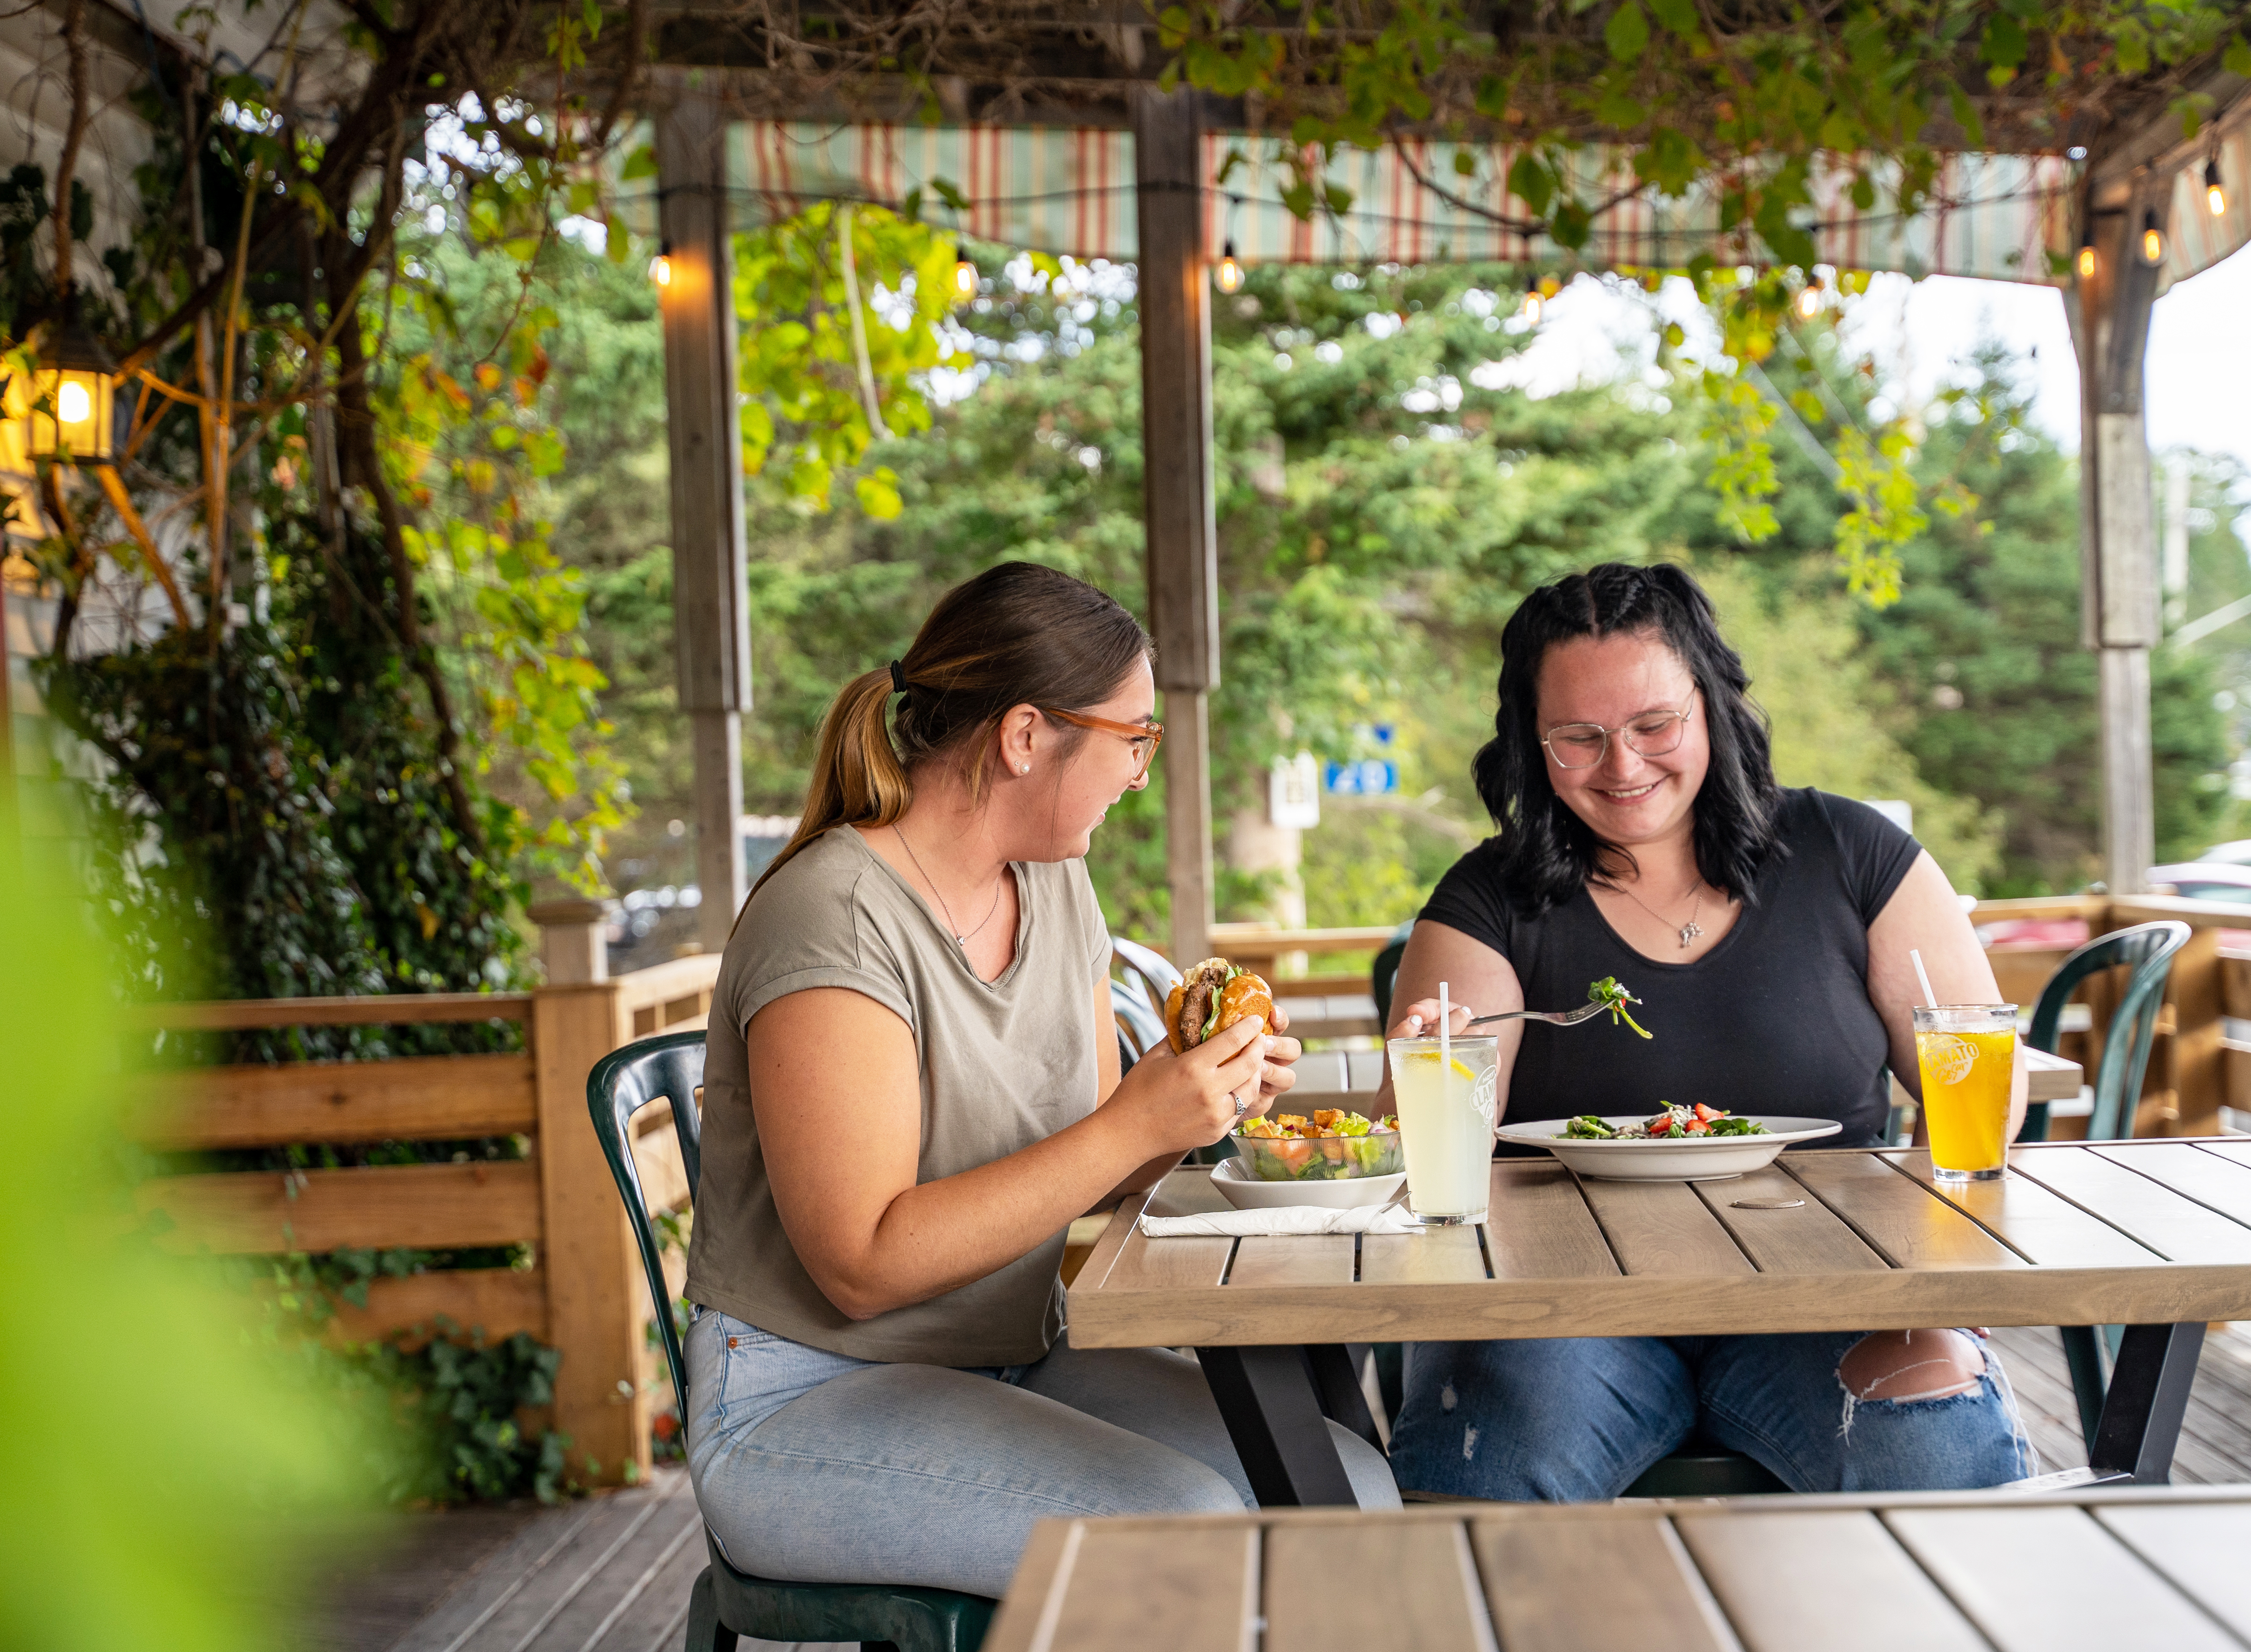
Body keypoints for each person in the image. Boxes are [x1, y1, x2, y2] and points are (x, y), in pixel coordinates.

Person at [683, 562, 1398, 1600]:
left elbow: (1102, 1162)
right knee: (1181, 1532)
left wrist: (1196, 1100)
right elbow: (862, 1263)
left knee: (1349, 1489)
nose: (1141, 772)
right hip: (806, 1393)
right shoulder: (835, 917)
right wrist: (1129, 1126)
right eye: (1134, 738)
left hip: (1011, 1351)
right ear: (1025, 735)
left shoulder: (1055, 886)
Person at [1382, 561, 2034, 1499]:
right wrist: (1427, 1070)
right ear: (1531, 740)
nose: (1622, 765)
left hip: (1828, 1299)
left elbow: (1974, 1079)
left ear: (1711, 704)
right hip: (1558, 1310)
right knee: (1491, 1459)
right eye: (1578, 736)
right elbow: (1419, 1162)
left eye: (1654, 725)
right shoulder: (1489, 896)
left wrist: (1926, 1276)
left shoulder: (1851, 852)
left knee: (1936, 1446)